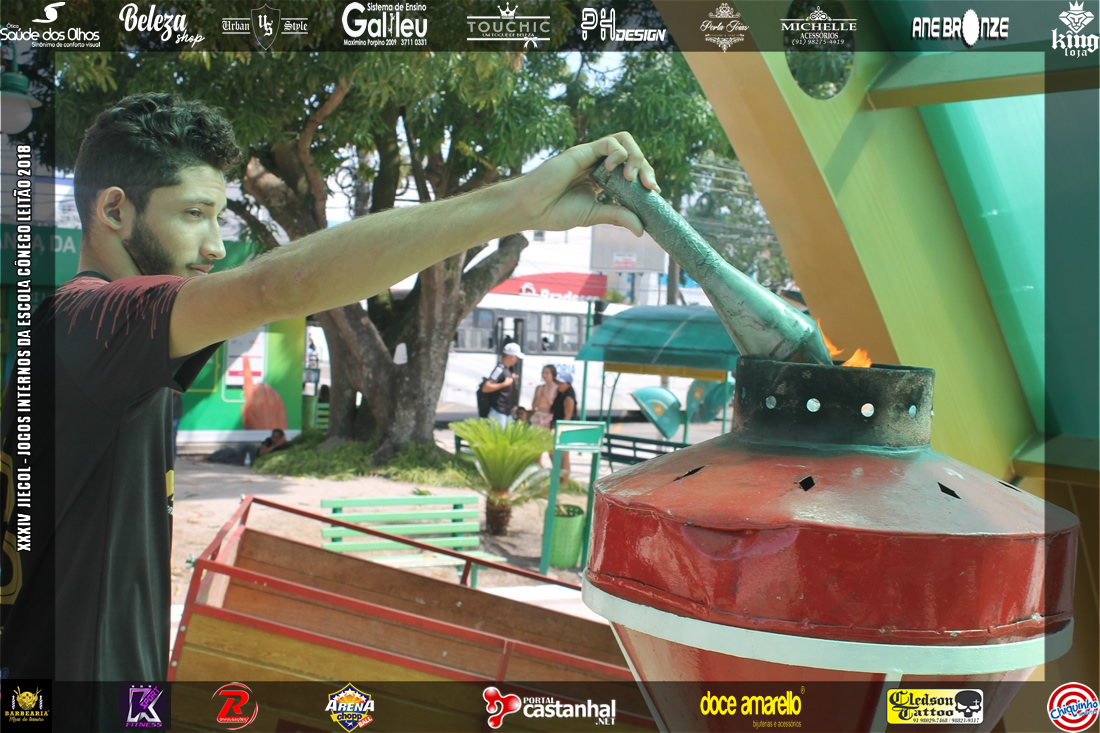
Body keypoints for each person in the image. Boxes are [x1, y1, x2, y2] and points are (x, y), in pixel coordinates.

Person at [0, 92, 658, 727]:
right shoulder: (91, 323)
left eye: (218, 218)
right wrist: (514, 203)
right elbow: (272, 286)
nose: (214, 246)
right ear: (115, 210)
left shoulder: (88, 337)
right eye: (194, 214)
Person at [481, 341, 524, 427]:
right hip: (499, 412)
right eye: (516, 358)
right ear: (512, 357)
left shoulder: (507, 369)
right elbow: (486, 387)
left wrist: (511, 378)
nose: (516, 360)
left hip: (506, 412)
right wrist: (504, 384)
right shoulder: (499, 369)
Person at [551, 371, 578, 485]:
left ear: (568, 384)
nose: (559, 385)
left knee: (564, 456)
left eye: (561, 383)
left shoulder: (568, 397)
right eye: (558, 382)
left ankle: (564, 483)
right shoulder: (560, 394)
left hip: (565, 429)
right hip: (559, 427)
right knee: (555, 454)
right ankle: (560, 479)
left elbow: (567, 417)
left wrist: (560, 432)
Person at [530, 364, 557, 431]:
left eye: (547, 373)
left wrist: (545, 394)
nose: (544, 375)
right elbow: (534, 406)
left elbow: (554, 406)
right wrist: (539, 396)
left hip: (548, 417)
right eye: (543, 373)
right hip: (538, 415)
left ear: (553, 374)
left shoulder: (556, 388)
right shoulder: (539, 387)